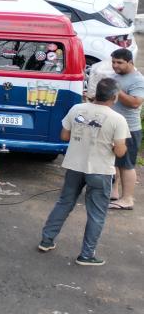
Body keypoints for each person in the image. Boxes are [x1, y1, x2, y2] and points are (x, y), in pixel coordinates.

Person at [39, 77, 127, 266]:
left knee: (64, 203)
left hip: (74, 166)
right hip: (100, 170)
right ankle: (86, 255)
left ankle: (46, 240)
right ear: (114, 97)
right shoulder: (117, 119)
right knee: (96, 214)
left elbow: (64, 135)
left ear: (96, 94)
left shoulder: (77, 109)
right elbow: (120, 151)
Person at [88, 47, 144, 209]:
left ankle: (128, 200)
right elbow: (111, 99)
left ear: (130, 62)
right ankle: (114, 191)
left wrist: (117, 90)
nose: (115, 65)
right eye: (113, 62)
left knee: (126, 165)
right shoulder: (115, 76)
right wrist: (96, 98)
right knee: (115, 162)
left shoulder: (138, 80)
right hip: (111, 126)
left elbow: (135, 103)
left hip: (128, 129)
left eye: (119, 62)